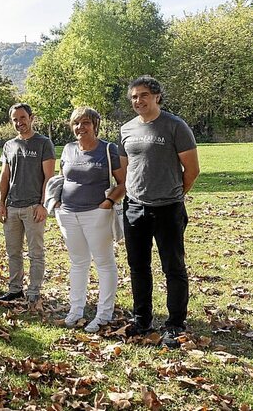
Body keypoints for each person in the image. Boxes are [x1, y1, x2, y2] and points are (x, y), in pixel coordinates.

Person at [120, 76, 200, 348]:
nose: (138, 101)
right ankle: (142, 319)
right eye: (134, 97)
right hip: (134, 207)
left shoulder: (175, 126)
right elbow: (126, 169)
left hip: (168, 208)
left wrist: (174, 194)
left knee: (173, 267)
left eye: (143, 95)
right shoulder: (126, 129)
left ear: (157, 96)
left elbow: (192, 170)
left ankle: (175, 324)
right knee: (138, 266)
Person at [55, 107, 125, 332]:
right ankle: (75, 310)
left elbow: (123, 183)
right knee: (78, 263)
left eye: (85, 122)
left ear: (95, 125)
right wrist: (57, 203)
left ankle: (104, 314)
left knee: (104, 263)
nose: (80, 127)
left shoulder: (108, 149)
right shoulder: (68, 149)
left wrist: (108, 203)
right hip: (68, 214)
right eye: (76, 123)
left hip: (97, 214)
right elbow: (62, 178)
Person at [0, 103, 55, 308]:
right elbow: (4, 176)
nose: (19, 122)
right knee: (13, 252)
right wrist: (1, 203)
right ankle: (15, 289)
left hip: (33, 207)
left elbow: (49, 177)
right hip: (12, 206)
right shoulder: (9, 145)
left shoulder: (44, 143)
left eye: (22, 118)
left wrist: (43, 204)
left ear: (31, 117)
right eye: (15, 119)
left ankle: (34, 292)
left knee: (35, 253)